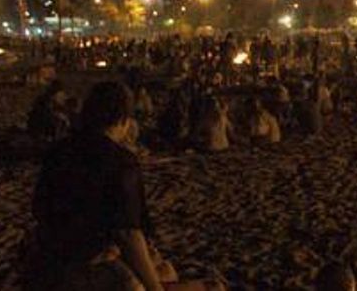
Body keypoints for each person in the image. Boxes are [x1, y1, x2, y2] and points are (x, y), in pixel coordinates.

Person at [29, 81, 221, 290]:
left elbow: (39, 208)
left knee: (165, 270)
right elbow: (128, 234)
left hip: (49, 258)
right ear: (123, 120)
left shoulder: (58, 152)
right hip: (88, 264)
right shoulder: (120, 161)